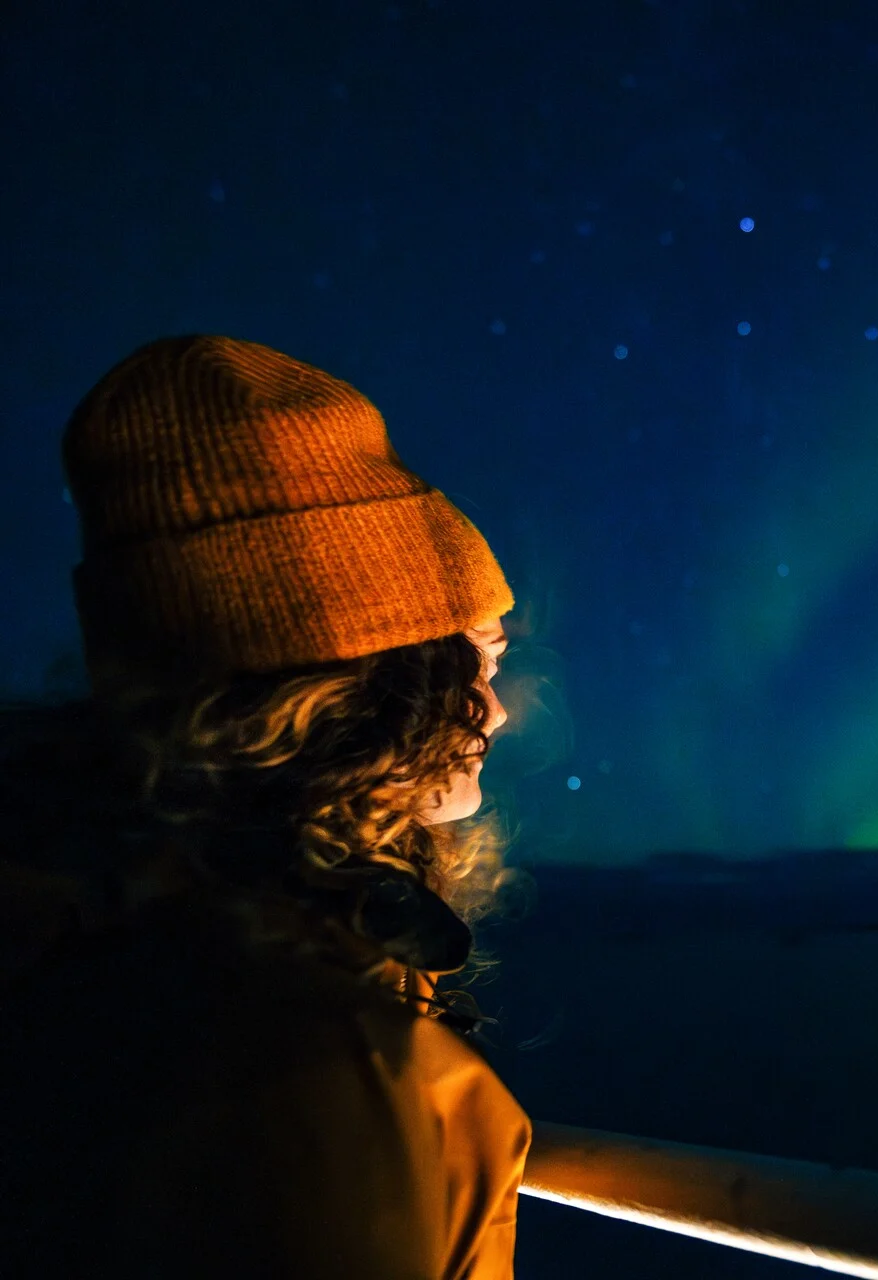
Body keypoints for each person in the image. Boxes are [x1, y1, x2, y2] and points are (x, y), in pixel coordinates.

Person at [0, 335, 532, 1277]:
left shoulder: (94, 931)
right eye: (474, 660)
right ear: (369, 676)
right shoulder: (295, 1060)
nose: (492, 710)